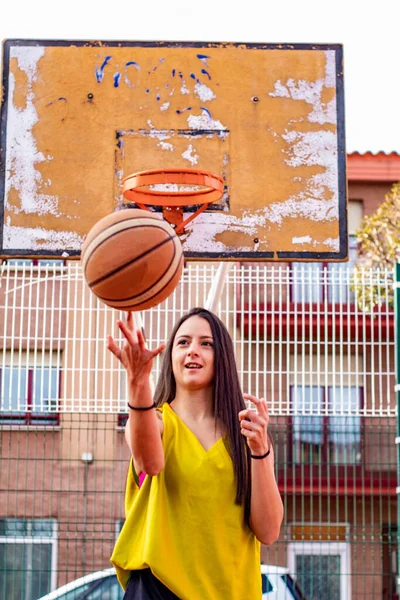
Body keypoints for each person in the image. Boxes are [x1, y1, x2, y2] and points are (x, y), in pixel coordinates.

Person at [108, 307, 283, 600]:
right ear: (170, 357)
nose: (193, 351)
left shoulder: (247, 437)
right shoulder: (156, 423)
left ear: (222, 358)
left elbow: (268, 531)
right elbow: (149, 462)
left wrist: (261, 451)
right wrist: (138, 382)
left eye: (206, 343)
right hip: (158, 590)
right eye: (183, 342)